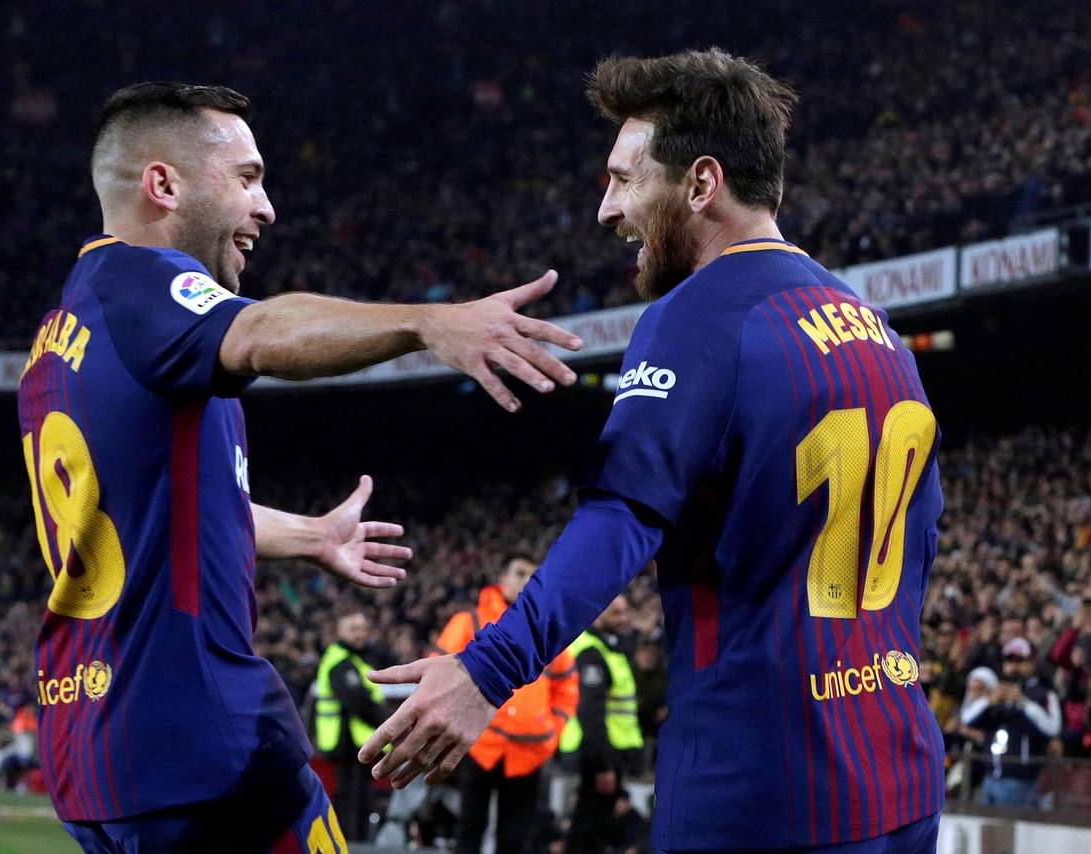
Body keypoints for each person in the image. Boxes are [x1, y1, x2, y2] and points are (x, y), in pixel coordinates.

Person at [360, 49, 947, 853]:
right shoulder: (876, 328)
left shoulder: (699, 316)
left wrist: (486, 671)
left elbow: (622, 518)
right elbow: (923, 533)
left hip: (763, 789)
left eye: (623, 179)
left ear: (701, 184)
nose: (608, 210)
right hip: (900, 771)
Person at [17, 81, 582, 853]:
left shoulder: (66, 332)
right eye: (246, 178)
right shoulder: (146, 285)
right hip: (198, 732)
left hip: (93, 746)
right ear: (164, 184)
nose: (267, 206)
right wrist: (425, 321)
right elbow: (261, 332)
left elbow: (151, 510)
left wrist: (308, 535)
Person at [433, 555, 578, 854]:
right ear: (502, 578)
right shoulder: (468, 622)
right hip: (476, 745)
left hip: (529, 752)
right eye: (519, 573)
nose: (526, 581)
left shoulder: (550, 632)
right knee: (469, 830)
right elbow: (438, 674)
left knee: (516, 838)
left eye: (532, 576)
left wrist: (551, 732)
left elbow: (566, 688)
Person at [559, 596, 644, 854]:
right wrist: (603, 765)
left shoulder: (611, 649)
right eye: (616, 612)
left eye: (626, 611)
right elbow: (591, 715)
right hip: (596, 756)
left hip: (608, 754)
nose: (624, 618)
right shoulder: (591, 653)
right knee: (589, 833)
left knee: (593, 830)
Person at [313, 608, 391, 842]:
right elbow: (359, 702)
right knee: (351, 804)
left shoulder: (355, 659)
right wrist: (390, 725)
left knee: (355, 801)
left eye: (363, 629)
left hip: (354, 743)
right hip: (346, 743)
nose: (360, 634)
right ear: (339, 631)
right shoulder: (341, 662)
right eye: (353, 629)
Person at [963, 638, 1061, 807]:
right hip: (989, 776)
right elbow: (968, 719)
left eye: (1020, 660)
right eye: (1009, 660)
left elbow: (1052, 728)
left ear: (1032, 662)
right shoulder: (995, 691)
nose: (1013, 666)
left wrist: (1024, 702)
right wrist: (989, 701)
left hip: (1021, 781)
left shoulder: (1043, 694)